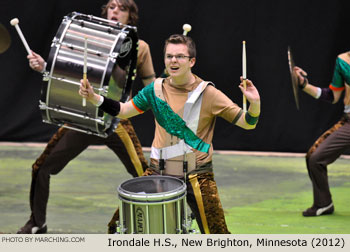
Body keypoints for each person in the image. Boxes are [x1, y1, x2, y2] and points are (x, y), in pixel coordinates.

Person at [80, 34, 261, 233]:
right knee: (117, 228)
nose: (173, 60)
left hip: (197, 175)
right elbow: (124, 110)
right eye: (169, 56)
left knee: (218, 235)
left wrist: (255, 103)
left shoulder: (208, 94)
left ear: (192, 61)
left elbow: (247, 123)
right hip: (158, 171)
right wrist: (95, 98)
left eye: (180, 56)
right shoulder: (155, 90)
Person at [17, 0, 155, 234]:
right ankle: (37, 223)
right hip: (82, 117)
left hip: (115, 120)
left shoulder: (140, 47)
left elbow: (151, 84)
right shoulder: (90, 37)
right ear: (106, 11)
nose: (115, 12)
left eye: (122, 8)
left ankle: (155, 223)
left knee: (144, 175)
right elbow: (65, 70)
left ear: (130, 16)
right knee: (41, 168)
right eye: (112, 7)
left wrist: (157, 92)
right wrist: (44, 67)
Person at [293, 52, 350, 217]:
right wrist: (303, 85)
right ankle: (323, 202)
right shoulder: (343, 61)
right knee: (314, 158)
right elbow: (332, 95)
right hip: (348, 122)